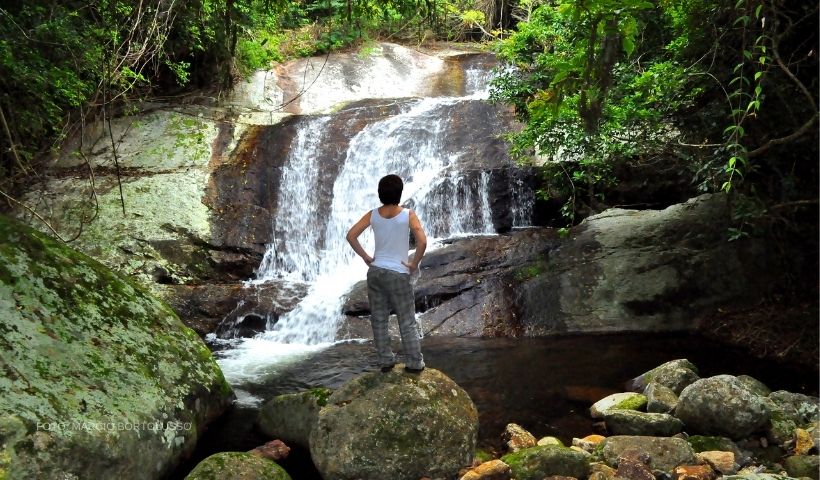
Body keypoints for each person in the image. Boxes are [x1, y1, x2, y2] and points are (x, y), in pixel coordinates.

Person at [346, 174, 427, 373]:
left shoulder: (372, 214)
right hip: (398, 273)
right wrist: (414, 263)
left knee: (379, 319)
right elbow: (422, 241)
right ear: (400, 193)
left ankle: (385, 360)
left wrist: (366, 257)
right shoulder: (408, 214)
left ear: (380, 193)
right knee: (406, 320)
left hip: (376, 272)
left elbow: (351, 235)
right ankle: (414, 363)